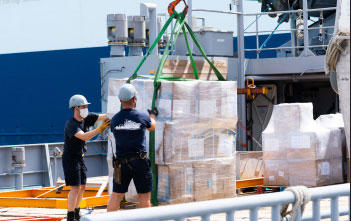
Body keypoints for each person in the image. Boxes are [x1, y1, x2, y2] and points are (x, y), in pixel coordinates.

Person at [107, 84, 157, 212]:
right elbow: (152, 127)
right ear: (134, 99)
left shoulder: (115, 119)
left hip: (121, 164)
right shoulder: (142, 116)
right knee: (144, 197)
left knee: (117, 195)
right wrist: (152, 115)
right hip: (139, 162)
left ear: (120, 101)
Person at [63, 94, 110, 221]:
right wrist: (100, 129)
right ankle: (70, 215)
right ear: (75, 108)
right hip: (71, 158)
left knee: (83, 186)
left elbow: (104, 116)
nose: (85, 108)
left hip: (80, 157)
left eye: (86, 106)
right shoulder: (71, 124)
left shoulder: (87, 118)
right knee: (75, 187)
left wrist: (121, 113)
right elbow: (84, 136)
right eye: (83, 106)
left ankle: (77, 212)